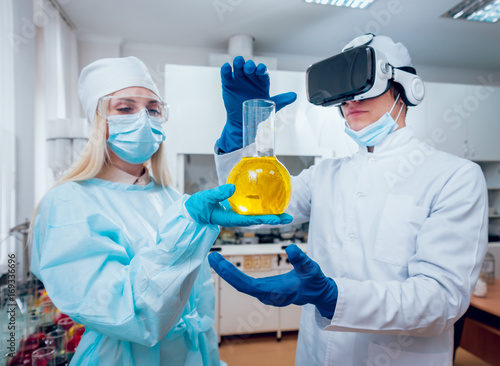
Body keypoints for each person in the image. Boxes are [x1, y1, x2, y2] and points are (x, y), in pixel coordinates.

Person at [209, 34, 488, 365]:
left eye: (363, 85)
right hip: (317, 354)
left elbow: (441, 300)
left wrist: (334, 298)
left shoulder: (454, 176)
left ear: (405, 86)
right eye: (343, 91)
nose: (350, 101)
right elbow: (251, 202)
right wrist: (243, 137)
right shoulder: (325, 173)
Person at [30, 56, 291, 366]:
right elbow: (128, 314)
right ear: (99, 120)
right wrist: (189, 225)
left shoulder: (170, 198)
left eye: (153, 109)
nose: (143, 118)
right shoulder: (68, 203)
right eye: (125, 108)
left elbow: (198, 310)